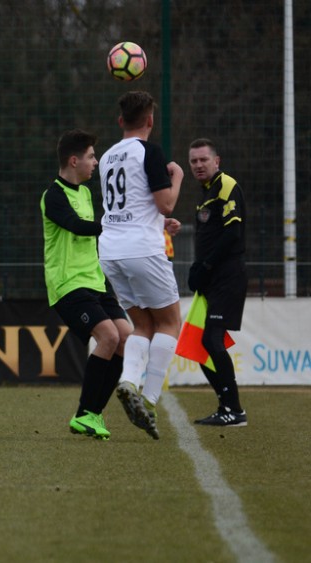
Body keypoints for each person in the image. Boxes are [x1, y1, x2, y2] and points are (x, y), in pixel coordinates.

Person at [98, 91, 184, 440]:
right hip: (142, 250)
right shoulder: (150, 152)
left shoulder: (106, 156)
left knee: (143, 324)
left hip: (111, 250)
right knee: (170, 322)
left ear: (121, 121)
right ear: (150, 120)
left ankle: (129, 381)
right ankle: (148, 399)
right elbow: (166, 203)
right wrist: (177, 177)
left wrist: (157, 223)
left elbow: (128, 204)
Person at [41, 129, 133, 441]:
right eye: (91, 156)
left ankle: (92, 413)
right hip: (68, 284)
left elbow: (94, 234)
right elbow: (76, 226)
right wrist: (116, 227)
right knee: (108, 336)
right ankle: (84, 413)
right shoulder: (53, 195)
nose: (95, 162)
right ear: (73, 160)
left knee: (126, 339)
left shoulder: (85, 193)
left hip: (95, 281)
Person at [186, 138, 248, 427]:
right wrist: (197, 267)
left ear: (216, 161)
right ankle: (227, 407)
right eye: (194, 161)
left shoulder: (226, 185)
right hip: (212, 279)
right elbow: (208, 238)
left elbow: (232, 234)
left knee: (211, 340)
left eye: (203, 160)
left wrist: (207, 265)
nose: (198, 165)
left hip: (227, 275)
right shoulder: (205, 193)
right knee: (201, 345)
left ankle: (234, 410)